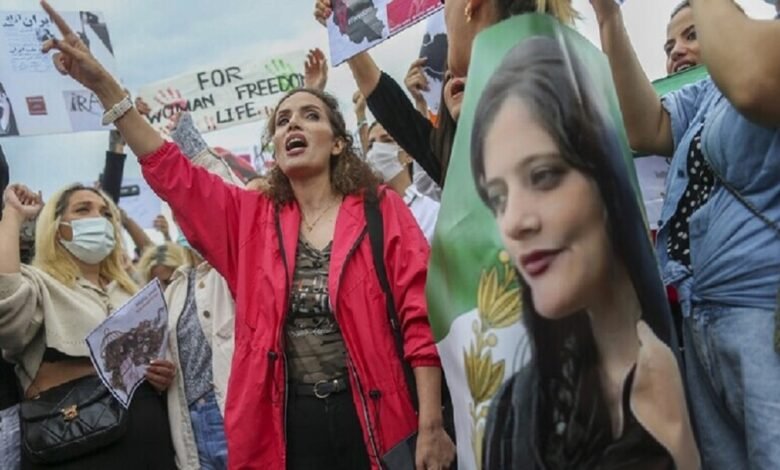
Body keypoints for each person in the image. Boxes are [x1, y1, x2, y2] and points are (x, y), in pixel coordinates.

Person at [38, 2, 456, 469]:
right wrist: (105, 88)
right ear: (274, 149)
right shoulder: (249, 220)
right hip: (288, 428)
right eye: (283, 120)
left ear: (338, 142)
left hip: (378, 420)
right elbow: (174, 172)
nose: (293, 123)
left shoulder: (382, 209)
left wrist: (431, 424)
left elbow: (420, 317)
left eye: (311, 115)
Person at [471, 36, 699, 470]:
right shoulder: (513, 412)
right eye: (498, 198)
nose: (514, 221)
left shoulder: (701, 361)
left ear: (607, 176)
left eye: (543, 176)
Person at [591, 0, 780, 467]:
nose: (676, 50)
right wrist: (609, 18)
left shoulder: (760, 56)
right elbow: (645, 127)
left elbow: (751, 81)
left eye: (693, 35)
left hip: (762, 312)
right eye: (669, 44)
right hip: (701, 319)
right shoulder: (707, 96)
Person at [0, 180, 177, 469]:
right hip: (76, 449)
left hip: (149, 445)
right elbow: (4, 302)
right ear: (57, 228)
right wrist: (13, 213)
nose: (98, 218)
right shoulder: (40, 284)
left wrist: (160, 375)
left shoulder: (131, 290)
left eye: (106, 213)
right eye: (83, 209)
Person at [366, 122, 440, 243]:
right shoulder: (368, 214)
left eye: (387, 141)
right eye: (371, 145)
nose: (376, 150)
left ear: (409, 154)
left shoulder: (433, 204)